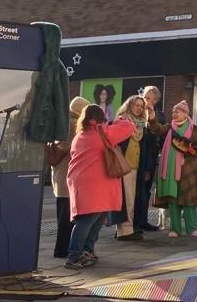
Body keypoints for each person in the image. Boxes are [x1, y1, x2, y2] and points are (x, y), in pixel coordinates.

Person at [65, 104, 136, 269]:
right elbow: (128, 128)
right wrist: (118, 121)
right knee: (88, 219)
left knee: (95, 218)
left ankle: (86, 251)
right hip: (95, 184)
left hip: (83, 182)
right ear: (97, 120)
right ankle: (74, 256)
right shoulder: (102, 133)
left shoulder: (80, 135)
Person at [150, 100, 197, 238]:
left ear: (185, 114)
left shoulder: (195, 128)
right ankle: (175, 229)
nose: (174, 114)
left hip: (189, 170)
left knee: (189, 200)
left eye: (177, 111)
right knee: (173, 200)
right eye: (173, 111)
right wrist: (152, 117)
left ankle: (192, 228)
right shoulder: (169, 127)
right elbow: (157, 129)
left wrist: (191, 149)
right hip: (170, 169)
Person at [46, 96, 88, 258]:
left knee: (62, 215)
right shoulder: (74, 125)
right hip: (68, 176)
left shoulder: (63, 122)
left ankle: (61, 249)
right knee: (67, 218)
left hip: (59, 174)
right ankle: (62, 250)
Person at [109, 95, 156, 240]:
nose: (139, 108)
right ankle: (124, 231)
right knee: (125, 200)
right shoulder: (122, 122)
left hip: (137, 167)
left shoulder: (142, 125)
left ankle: (130, 227)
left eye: (142, 106)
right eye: (136, 105)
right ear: (129, 106)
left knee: (134, 199)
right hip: (124, 167)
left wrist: (147, 168)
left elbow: (150, 146)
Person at [140, 85, 162, 232]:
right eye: (145, 97)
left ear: (155, 101)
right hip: (136, 158)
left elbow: (157, 136)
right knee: (134, 193)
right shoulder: (135, 111)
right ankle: (133, 223)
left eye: (149, 99)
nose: (145, 101)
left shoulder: (158, 116)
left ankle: (142, 220)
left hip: (149, 159)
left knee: (145, 191)